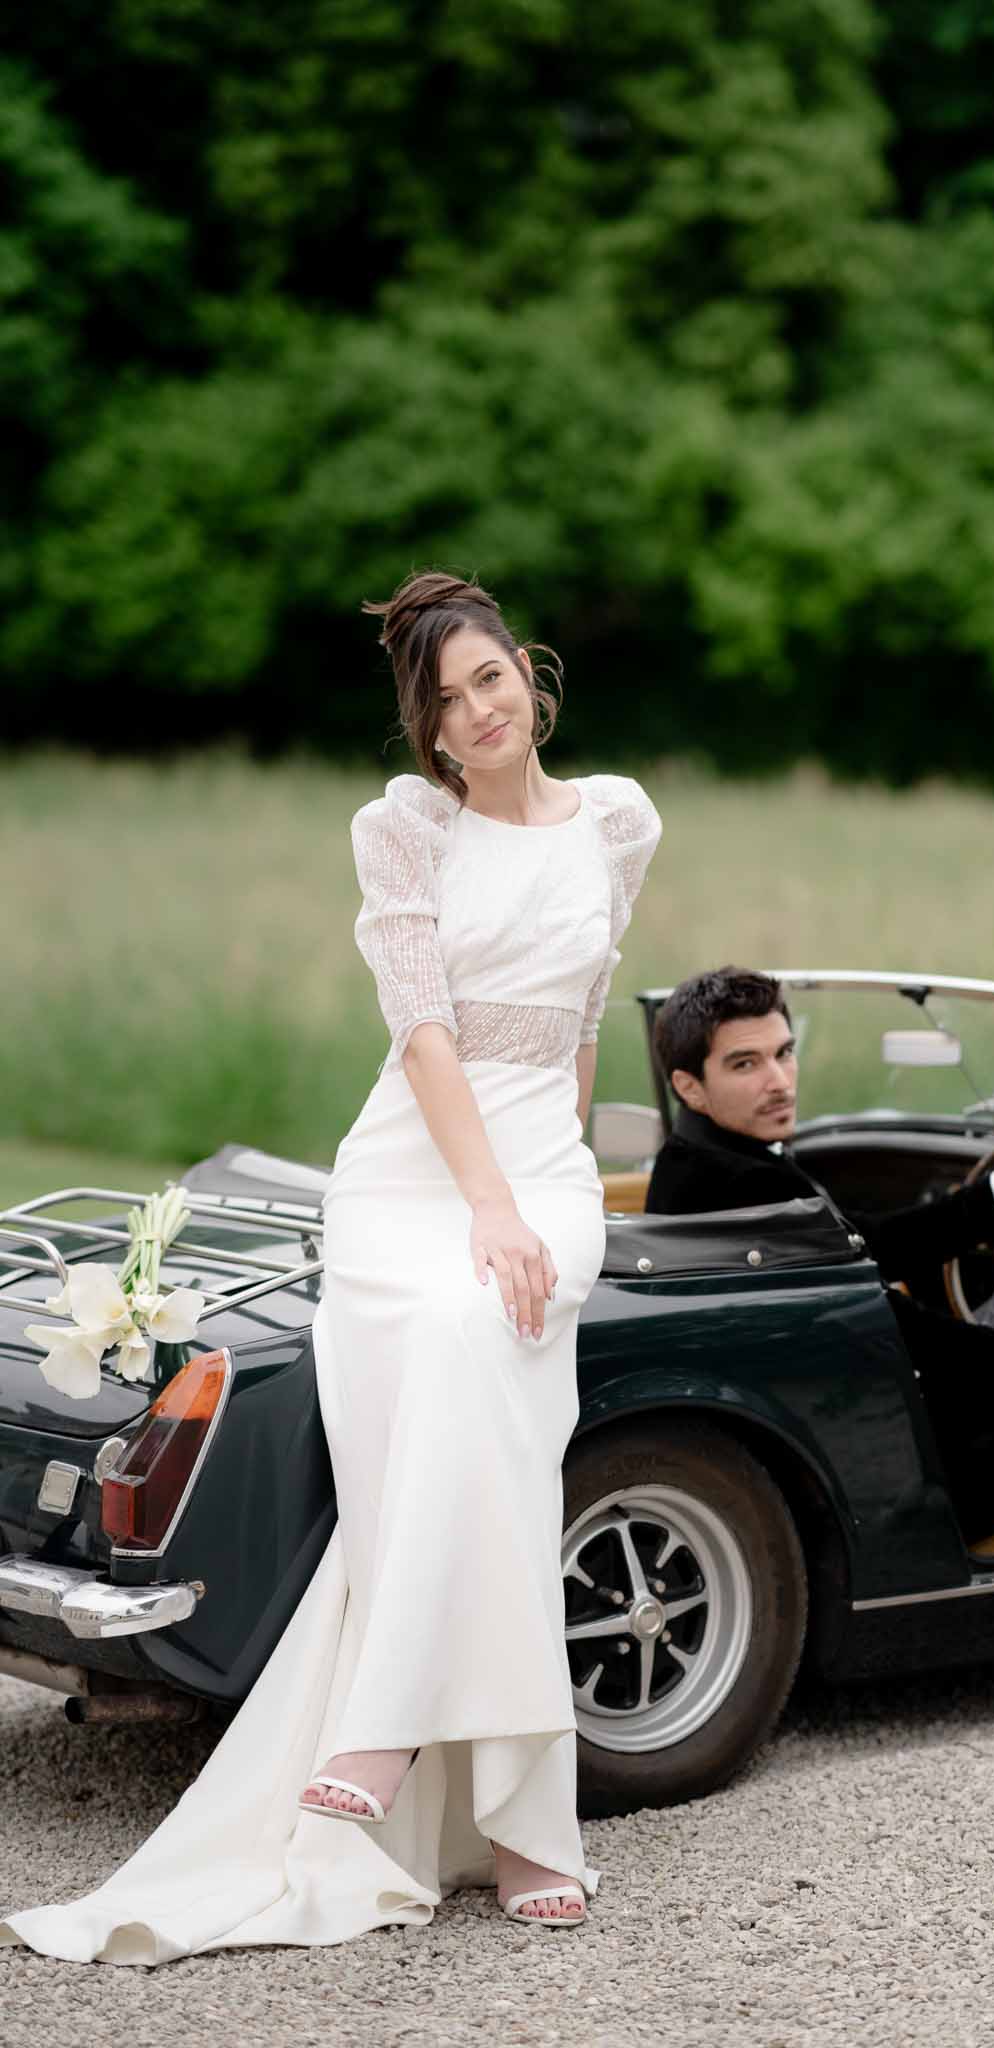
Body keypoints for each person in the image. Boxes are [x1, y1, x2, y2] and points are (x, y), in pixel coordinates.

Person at [1, 572, 660, 1964]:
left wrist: (553, 1197)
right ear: (424, 731)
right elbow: (423, 1035)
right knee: (452, 1377)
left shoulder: (619, 818)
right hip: (415, 1172)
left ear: (529, 675)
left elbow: (588, 1018)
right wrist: (483, 1210)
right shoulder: (403, 829)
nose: (476, 713)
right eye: (444, 701)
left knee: (501, 1409)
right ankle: (487, 1800)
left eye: (490, 680)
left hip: (546, 1162)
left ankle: (394, 1729)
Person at [645, 968, 994, 1545]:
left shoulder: (698, 1163)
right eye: (746, 1064)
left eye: (784, 1053)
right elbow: (891, 1326)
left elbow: (872, 1249)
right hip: (937, 1471)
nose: (780, 1081)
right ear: (689, 1086)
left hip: (878, 1426)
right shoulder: (744, 1191)